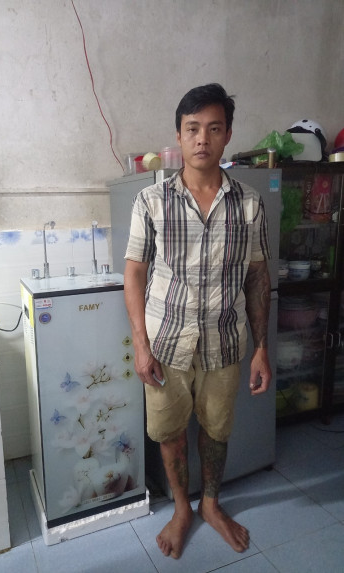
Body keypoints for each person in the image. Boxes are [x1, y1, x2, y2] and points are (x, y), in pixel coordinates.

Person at [124, 84, 272, 560]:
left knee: (217, 430)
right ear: (179, 136)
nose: (202, 139)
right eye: (192, 129)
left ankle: (210, 503)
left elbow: (257, 277)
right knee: (169, 433)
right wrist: (140, 345)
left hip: (225, 343)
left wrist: (262, 348)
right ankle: (182, 508)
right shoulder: (151, 201)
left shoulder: (249, 204)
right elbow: (134, 274)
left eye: (213, 128)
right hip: (165, 343)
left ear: (227, 135)